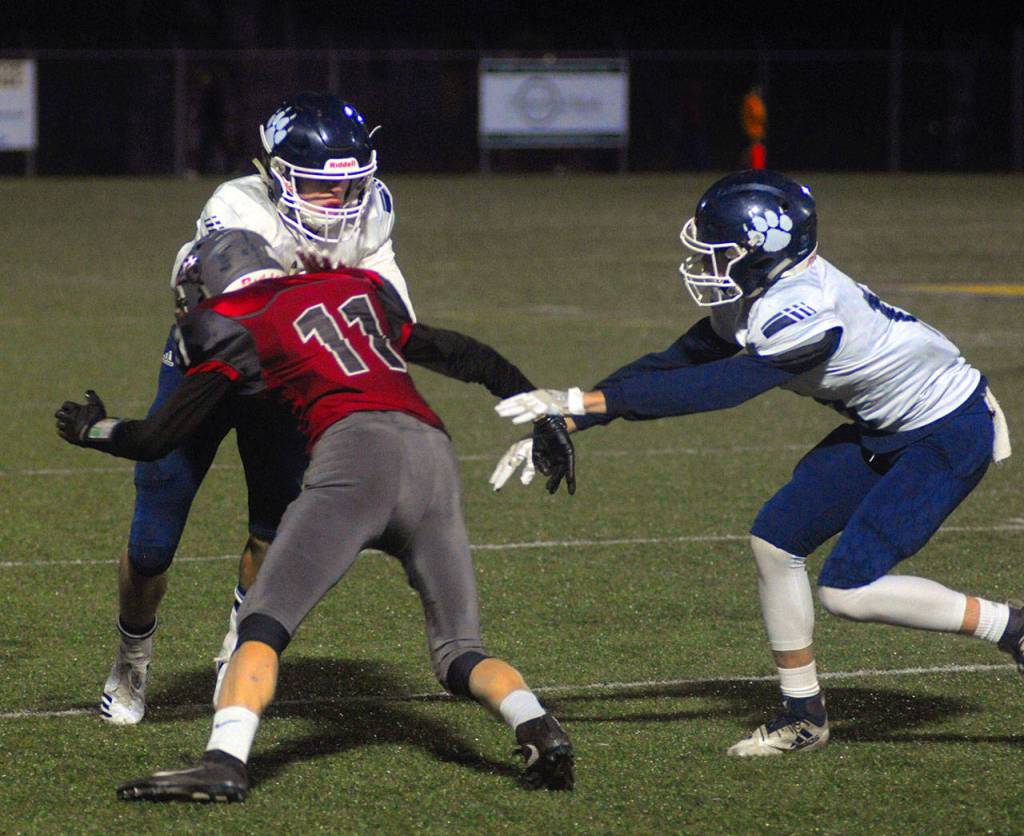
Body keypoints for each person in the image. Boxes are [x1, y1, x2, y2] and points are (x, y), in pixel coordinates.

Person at [492, 169, 1020, 757]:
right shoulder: (758, 296)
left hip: (948, 430)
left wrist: (585, 402)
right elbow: (674, 362)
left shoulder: (804, 309)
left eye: (717, 251)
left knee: (849, 590)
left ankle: (1013, 628)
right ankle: (805, 716)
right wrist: (575, 416)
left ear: (761, 249)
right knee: (775, 542)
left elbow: (720, 388)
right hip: (886, 426)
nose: (705, 263)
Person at [56, 229, 576, 801]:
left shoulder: (231, 318)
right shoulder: (353, 286)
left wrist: (92, 430)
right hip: (432, 453)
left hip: (356, 459)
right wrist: (544, 412)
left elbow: (156, 439)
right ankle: (537, 726)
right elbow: (468, 356)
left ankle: (223, 760)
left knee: (262, 623)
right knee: (459, 651)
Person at [102, 91, 417, 726]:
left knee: (275, 526)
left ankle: (236, 643)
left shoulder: (371, 212)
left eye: (352, 187)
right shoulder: (235, 208)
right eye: (321, 189)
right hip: (211, 373)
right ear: (277, 177)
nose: (341, 205)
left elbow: (392, 307)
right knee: (152, 543)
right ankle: (131, 656)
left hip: (286, 386)